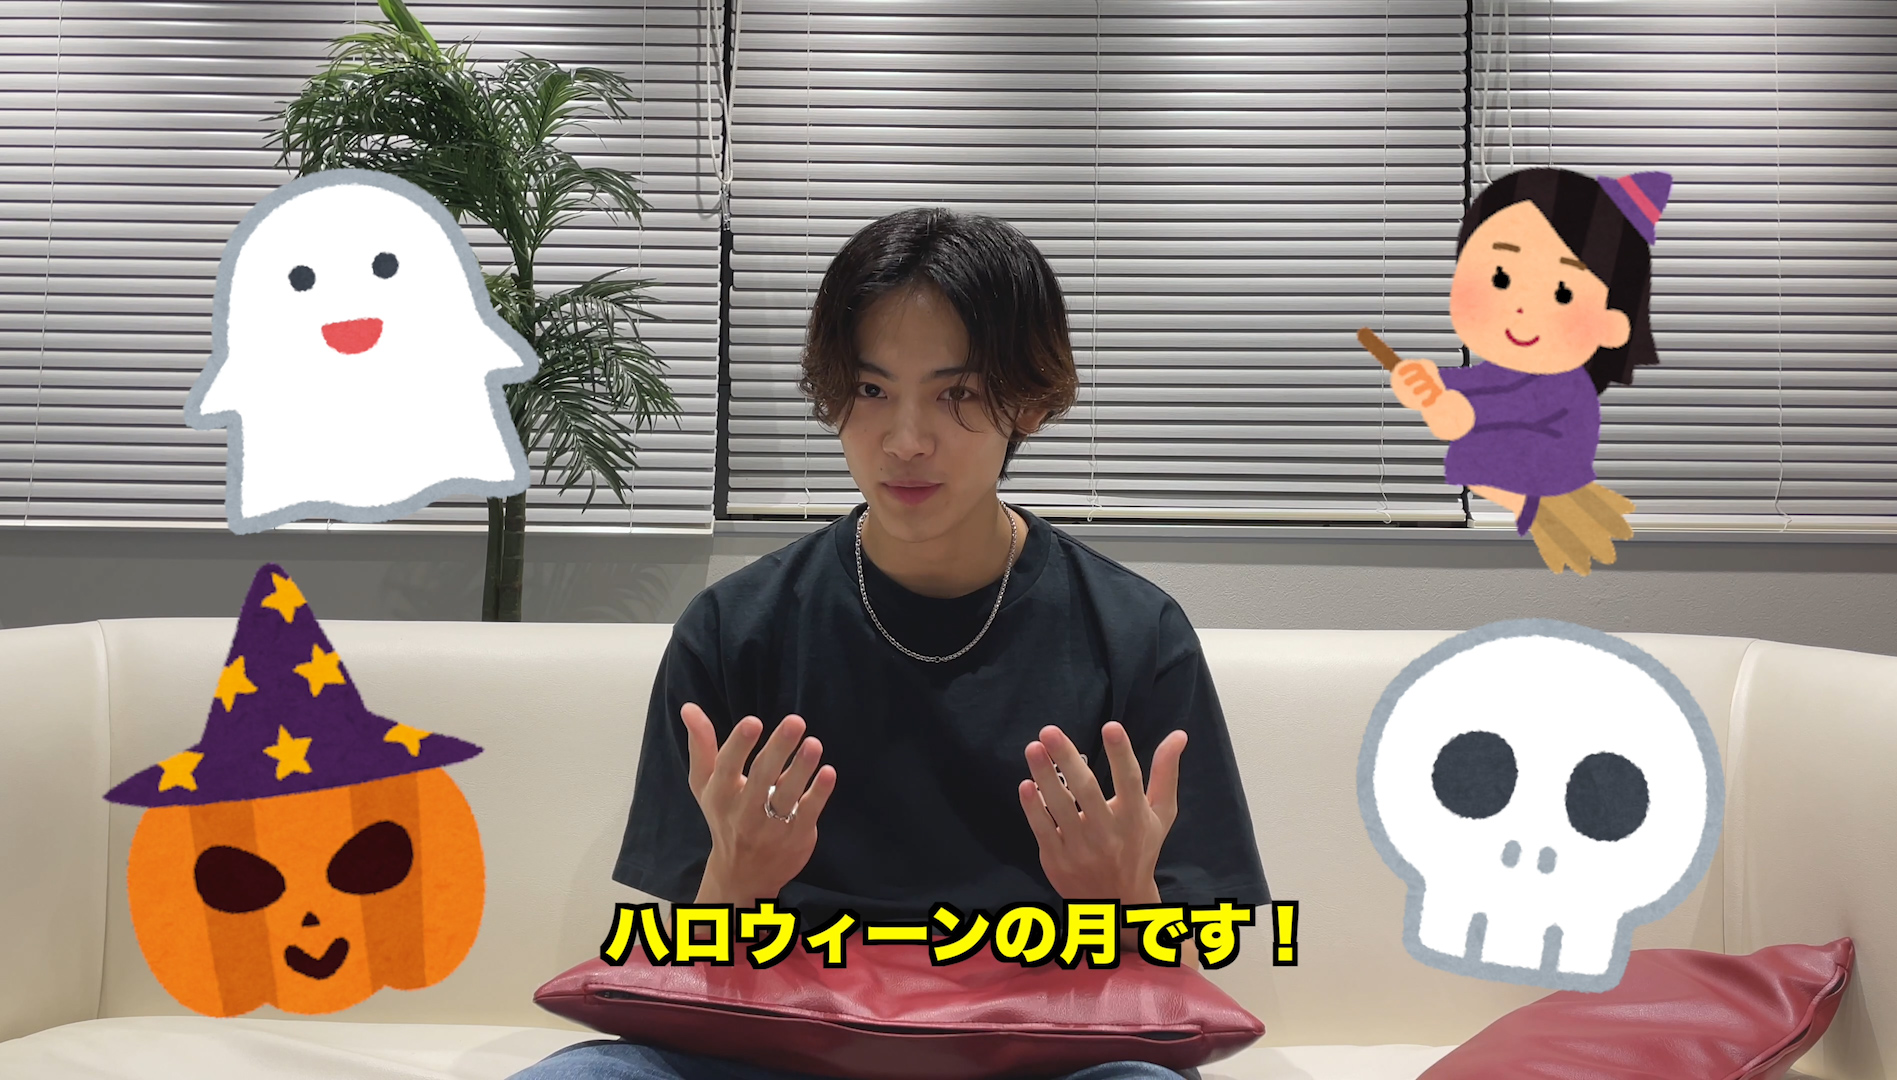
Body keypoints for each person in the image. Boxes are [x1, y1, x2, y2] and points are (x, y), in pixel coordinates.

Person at [513, 207, 1271, 1080]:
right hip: (783, 1052)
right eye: (872, 391)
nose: (906, 441)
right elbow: (691, 975)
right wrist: (736, 880)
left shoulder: (1135, 637)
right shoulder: (733, 630)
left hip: (1038, 1056)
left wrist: (1123, 898)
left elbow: (1173, 1001)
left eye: (957, 394)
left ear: (1029, 400)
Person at [1386, 166, 1669, 575]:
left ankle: (1532, 508)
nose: (1521, 306)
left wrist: (1462, 413)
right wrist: (1426, 381)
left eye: (1562, 293)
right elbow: (1480, 382)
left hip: (1545, 487)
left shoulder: (1566, 388)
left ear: (1612, 326)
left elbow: (1505, 405)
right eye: (1500, 277)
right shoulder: (1513, 370)